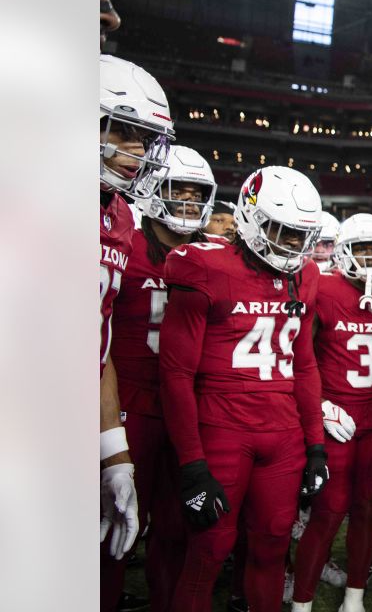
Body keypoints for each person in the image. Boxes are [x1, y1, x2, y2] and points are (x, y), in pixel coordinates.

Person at [159, 166, 329, 612]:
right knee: (209, 551)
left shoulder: (307, 276)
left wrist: (316, 445)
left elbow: (305, 364)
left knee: (273, 546)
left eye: (301, 235)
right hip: (221, 428)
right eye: (283, 231)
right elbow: (176, 373)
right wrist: (193, 464)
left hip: (284, 433)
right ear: (251, 219)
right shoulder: (202, 265)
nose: (294, 245)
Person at [101, 146, 215, 612]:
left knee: (177, 525)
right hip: (130, 401)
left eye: (197, 192)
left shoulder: (214, 256)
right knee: (115, 520)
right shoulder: (124, 246)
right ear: (153, 189)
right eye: (177, 189)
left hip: (187, 405)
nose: (187, 201)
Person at [291, 214, 372, 612]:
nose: (371, 257)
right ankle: (302, 602)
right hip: (335, 416)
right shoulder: (322, 287)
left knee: (368, 508)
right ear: (343, 251)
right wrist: (319, 407)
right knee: (329, 511)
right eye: (363, 248)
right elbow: (299, 358)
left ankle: (355, 596)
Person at [100, 54, 175, 574]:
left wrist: (112, 452)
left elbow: (95, 347)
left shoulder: (119, 214)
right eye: (123, 132)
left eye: (145, 138)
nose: (138, 153)